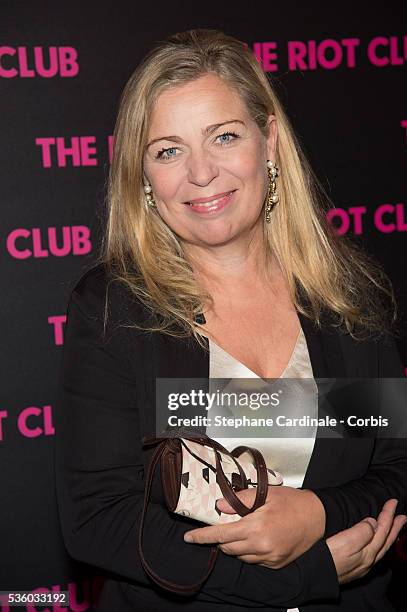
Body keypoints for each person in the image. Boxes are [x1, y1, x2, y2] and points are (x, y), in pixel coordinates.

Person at [54, 29, 407, 611]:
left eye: (223, 136)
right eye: (168, 149)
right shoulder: (115, 307)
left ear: (269, 141)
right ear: (143, 176)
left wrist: (318, 513)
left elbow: (394, 467)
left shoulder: (344, 297)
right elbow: (100, 519)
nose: (201, 173)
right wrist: (300, 575)